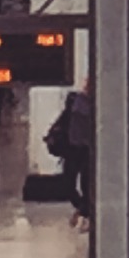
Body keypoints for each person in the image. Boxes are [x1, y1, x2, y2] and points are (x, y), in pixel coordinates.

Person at [45, 87, 93, 229]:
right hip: (72, 147)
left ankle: (85, 212)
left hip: (87, 148)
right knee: (68, 184)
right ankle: (82, 209)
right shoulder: (73, 99)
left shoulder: (97, 104)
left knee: (86, 184)